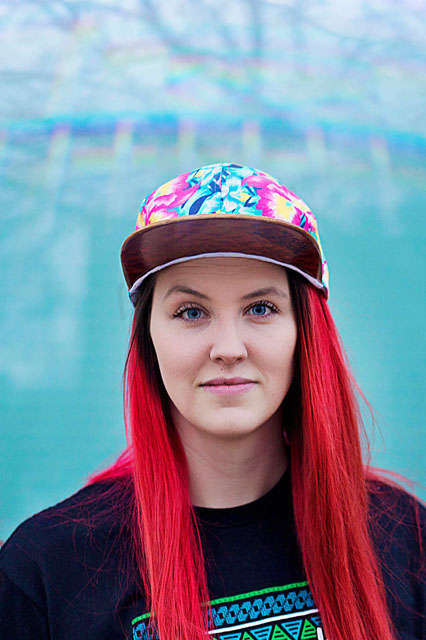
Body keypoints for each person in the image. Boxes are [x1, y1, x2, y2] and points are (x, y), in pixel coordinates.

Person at [0, 163, 424, 640]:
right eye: (191, 312)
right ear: (147, 339)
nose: (227, 348)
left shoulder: (404, 538)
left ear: (305, 333)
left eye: (260, 308)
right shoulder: (44, 573)